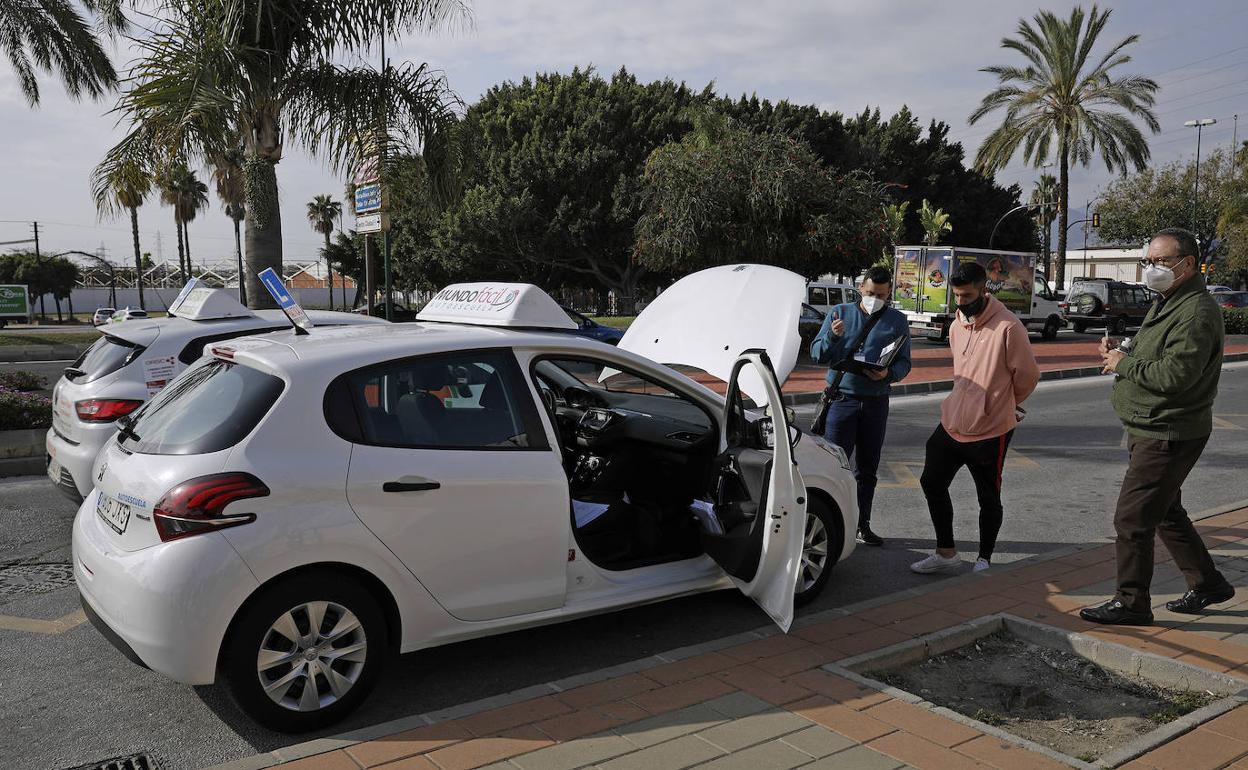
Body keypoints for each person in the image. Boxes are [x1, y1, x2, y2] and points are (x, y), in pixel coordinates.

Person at [1080, 228, 1235, 625]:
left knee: (1132, 520)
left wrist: (1123, 365)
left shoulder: (1197, 311)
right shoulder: (1172, 299)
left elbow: (1176, 375)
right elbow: (1155, 348)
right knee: (1165, 510)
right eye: (1148, 261)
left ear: (1185, 264)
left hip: (1168, 430)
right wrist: (1122, 350)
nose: (1151, 269)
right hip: (1152, 425)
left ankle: (1131, 603)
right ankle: (1208, 584)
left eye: (1160, 262)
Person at [911, 261, 1039, 574]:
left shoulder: (1008, 327)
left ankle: (983, 559)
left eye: (967, 296)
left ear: (984, 290)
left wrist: (1006, 403)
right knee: (931, 482)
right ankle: (946, 552)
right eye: (956, 295)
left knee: (988, 497)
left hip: (990, 429)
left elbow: (1028, 375)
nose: (960, 301)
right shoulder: (956, 325)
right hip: (952, 422)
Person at [810, 266, 912, 546]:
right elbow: (817, 354)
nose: (874, 298)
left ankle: (861, 524)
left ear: (889, 292)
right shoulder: (839, 313)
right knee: (833, 467)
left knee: (867, 469)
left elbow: (905, 362)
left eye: (880, 294)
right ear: (860, 290)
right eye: (869, 293)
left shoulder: (897, 320)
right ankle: (830, 527)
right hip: (841, 400)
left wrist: (888, 374)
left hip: (875, 402)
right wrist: (832, 336)